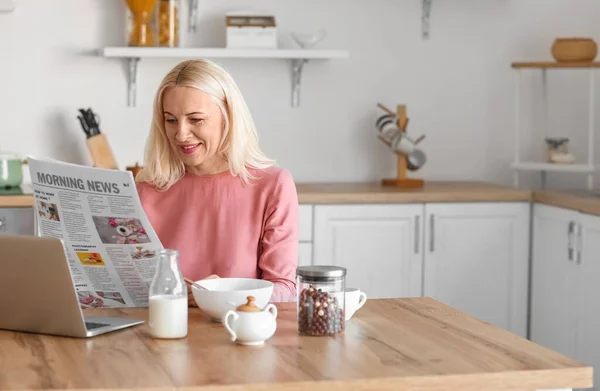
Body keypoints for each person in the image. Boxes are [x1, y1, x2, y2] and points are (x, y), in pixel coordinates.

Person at [135, 59, 299, 304]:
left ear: (228, 116)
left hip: (236, 332)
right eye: (171, 120)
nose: (180, 134)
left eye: (196, 119)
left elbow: (284, 289)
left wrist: (222, 294)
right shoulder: (146, 188)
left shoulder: (273, 185)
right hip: (161, 332)